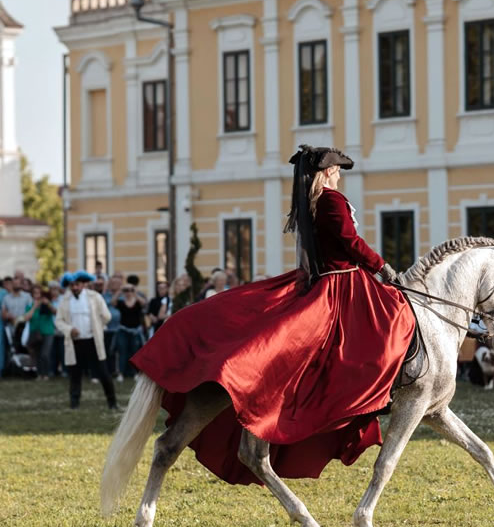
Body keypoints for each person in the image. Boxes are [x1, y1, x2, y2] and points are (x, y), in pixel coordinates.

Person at [130, 145, 415, 485]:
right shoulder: (331, 200)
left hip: (327, 280)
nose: (339, 174)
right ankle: (381, 391)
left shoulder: (309, 205)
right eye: (336, 169)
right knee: (393, 321)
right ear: (326, 172)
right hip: (342, 285)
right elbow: (350, 242)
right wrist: (384, 268)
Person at [54, 271, 118, 410]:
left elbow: (106, 316)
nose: (75, 287)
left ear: (83, 284)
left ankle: (112, 403)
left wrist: (97, 327)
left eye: (77, 284)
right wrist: (69, 329)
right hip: (75, 342)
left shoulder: (94, 297)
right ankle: (74, 403)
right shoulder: (65, 301)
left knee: (103, 372)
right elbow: (58, 321)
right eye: (72, 285)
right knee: (75, 374)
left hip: (93, 341)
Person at [112, 284, 146, 381]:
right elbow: (113, 302)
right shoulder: (122, 303)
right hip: (123, 331)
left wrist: (135, 292)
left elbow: (144, 303)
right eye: (126, 290)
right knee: (122, 352)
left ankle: (136, 373)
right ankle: (121, 373)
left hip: (135, 332)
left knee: (135, 353)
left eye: (130, 290)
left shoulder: (138, 302)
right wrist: (120, 291)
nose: (128, 292)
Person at [23, 286, 58, 381]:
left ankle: (46, 373)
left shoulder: (47, 305)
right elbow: (26, 318)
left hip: (48, 332)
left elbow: (56, 313)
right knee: (37, 354)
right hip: (35, 333)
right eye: (35, 293)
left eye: (39, 293)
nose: (37, 296)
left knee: (45, 354)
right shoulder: (29, 306)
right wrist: (34, 307)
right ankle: (39, 374)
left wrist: (48, 304)